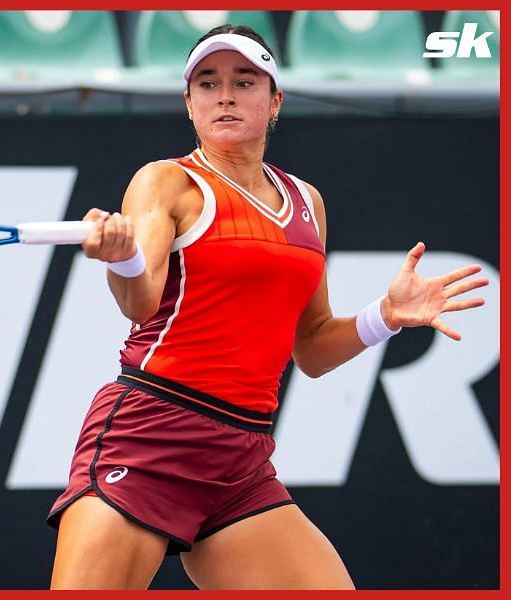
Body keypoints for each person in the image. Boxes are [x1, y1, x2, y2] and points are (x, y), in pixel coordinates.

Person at [47, 25, 488, 590]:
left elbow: (314, 348)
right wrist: (124, 259)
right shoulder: (166, 182)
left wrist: (387, 316)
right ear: (189, 103)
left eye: (243, 80)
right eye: (208, 83)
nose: (224, 95)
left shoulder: (308, 202)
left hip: (241, 459)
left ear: (274, 99)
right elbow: (140, 303)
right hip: (150, 435)